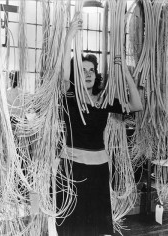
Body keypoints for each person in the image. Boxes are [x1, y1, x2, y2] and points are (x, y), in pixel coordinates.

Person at [56, 14, 143, 236]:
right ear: (76, 75)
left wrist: (125, 72)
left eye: (91, 70)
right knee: (70, 227)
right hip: (72, 169)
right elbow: (64, 74)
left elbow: (136, 104)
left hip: (98, 171)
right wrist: (69, 39)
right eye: (83, 70)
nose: (88, 74)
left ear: (97, 75)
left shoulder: (104, 101)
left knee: (95, 227)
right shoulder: (69, 97)